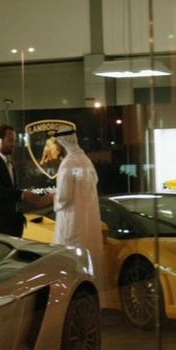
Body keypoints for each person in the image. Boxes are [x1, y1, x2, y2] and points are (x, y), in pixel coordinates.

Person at [52, 127, 105, 304]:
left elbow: (64, 197)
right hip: (88, 220)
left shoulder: (68, 163)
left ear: (63, 142)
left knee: (71, 263)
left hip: (72, 223)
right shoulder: (86, 160)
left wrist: (53, 198)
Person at [0, 124, 49, 237]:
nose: (13, 144)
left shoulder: (10, 163)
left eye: (14, 140)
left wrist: (24, 194)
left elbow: (9, 190)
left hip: (13, 223)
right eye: (10, 140)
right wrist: (22, 194)